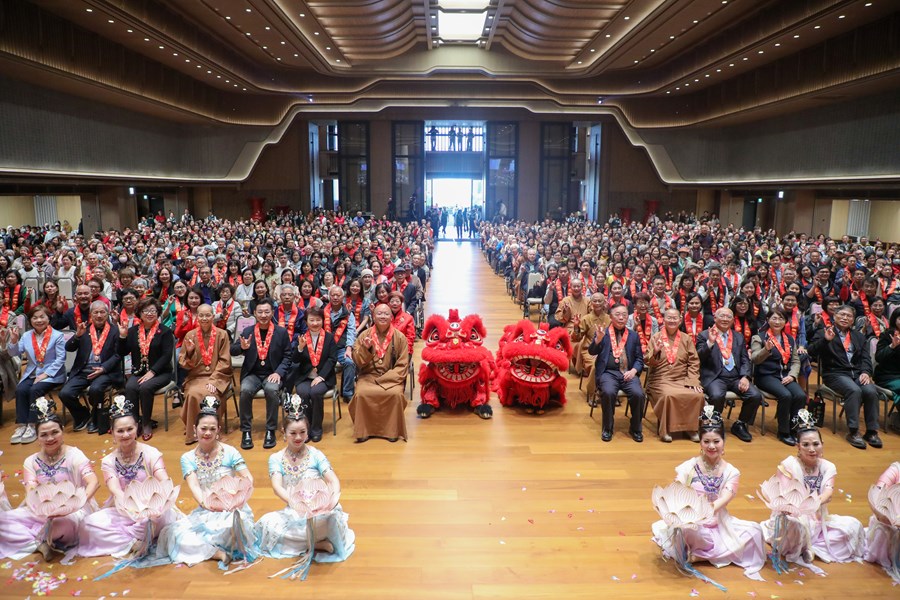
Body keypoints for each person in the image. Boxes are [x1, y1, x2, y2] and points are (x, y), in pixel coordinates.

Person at [651, 408, 766, 581]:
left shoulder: (731, 471)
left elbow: (726, 497)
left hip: (717, 520)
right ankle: (705, 553)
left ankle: (700, 556)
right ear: (700, 443)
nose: (711, 446)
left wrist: (707, 511)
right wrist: (687, 512)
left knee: (756, 532)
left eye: (716, 441)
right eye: (707, 441)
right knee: (688, 530)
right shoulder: (688, 467)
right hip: (693, 520)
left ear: (723, 442)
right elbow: (677, 489)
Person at [154, 398, 256, 566]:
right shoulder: (187, 458)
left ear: (218, 431)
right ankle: (216, 553)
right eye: (203, 428)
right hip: (206, 509)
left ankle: (213, 549)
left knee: (231, 528)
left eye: (212, 429)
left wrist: (237, 497)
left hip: (231, 508)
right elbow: (194, 486)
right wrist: (208, 504)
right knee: (175, 535)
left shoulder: (230, 452)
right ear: (195, 429)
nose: (207, 433)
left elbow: (248, 478)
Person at [254, 396, 355, 562]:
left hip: (320, 510)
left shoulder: (315, 454)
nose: (298, 437)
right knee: (266, 525)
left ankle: (311, 541)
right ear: (283, 433)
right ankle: (315, 544)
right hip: (294, 510)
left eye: (302, 432)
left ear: (308, 432)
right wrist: (297, 504)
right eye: (293, 433)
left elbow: (333, 480)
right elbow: (277, 487)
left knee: (329, 520)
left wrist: (331, 499)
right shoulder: (276, 458)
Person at [77, 397, 181, 557]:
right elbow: (116, 490)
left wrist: (153, 505)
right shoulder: (108, 461)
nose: (125, 434)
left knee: (150, 521)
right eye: (120, 431)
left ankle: (139, 536)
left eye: (129, 429)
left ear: (137, 427)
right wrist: (133, 509)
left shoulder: (151, 453)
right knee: (87, 525)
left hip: (153, 510)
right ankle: (134, 541)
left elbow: (163, 479)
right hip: (125, 509)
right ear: (112, 432)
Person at [760, 410, 866, 566]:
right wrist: (803, 508)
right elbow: (783, 496)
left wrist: (812, 504)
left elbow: (828, 493)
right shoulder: (788, 465)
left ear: (822, 445)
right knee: (797, 525)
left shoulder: (828, 467)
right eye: (806, 445)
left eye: (816, 444)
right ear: (798, 446)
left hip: (818, 517)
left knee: (853, 526)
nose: (811, 449)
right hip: (791, 514)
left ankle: (810, 545)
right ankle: (803, 546)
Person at [0, 399, 99, 560]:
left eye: (55, 432)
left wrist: (77, 503)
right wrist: (43, 509)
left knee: (59, 524)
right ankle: (39, 543)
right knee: (2, 522)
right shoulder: (31, 461)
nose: (50, 438)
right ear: (37, 438)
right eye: (44, 435)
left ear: (62, 431)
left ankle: (39, 538)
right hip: (43, 510)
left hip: (74, 509)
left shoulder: (75, 454)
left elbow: (93, 482)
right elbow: (31, 491)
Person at [807, 304, 881, 449]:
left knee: (871, 391)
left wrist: (866, 372)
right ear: (834, 316)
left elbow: (865, 358)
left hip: (857, 373)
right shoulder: (824, 332)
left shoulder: (859, 336)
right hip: (835, 373)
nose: (845, 318)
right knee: (854, 390)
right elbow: (811, 351)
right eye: (842, 315)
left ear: (853, 320)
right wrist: (825, 340)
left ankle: (871, 431)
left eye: (849, 316)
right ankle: (853, 431)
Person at [231, 298, 292, 450]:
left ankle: (270, 430)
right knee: (244, 391)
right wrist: (242, 348)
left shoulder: (281, 332)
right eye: (260, 312)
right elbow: (233, 350)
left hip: (273, 373)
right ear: (254, 314)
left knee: (272, 390)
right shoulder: (248, 331)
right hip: (253, 373)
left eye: (267, 312)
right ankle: (246, 430)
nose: (263, 315)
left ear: (272, 313)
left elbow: (288, 356)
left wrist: (279, 372)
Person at [696, 308, 763, 443]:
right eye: (722, 316)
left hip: (736, 377)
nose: (725, 319)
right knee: (716, 395)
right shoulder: (704, 335)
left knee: (755, 395)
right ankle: (715, 424)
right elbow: (698, 358)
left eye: (729, 317)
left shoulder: (738, 337)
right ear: (715, 318)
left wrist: (745, 377)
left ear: (733, 320)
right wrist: (710, 343)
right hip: (716, 376)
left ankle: (740, 424)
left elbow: (745, 359)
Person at [4, 305, 67, 444]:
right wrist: (13, 341)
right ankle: (22, 425)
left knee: (35, 390)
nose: (39, 320)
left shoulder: (57, 335)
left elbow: (61, 359)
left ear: (48, 318)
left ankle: (33, 425)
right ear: (30, 320)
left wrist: (46, 374)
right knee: (20, 390)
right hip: (32, 373)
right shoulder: (26, 336)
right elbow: (13, 353)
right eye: (35, 317)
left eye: (42, 317)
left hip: (52, 374)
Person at [58, 300, 123, 433]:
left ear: (107, 314)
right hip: (83, 371)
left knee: (95, 389)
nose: (99, 315)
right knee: (65, 393)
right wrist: (77, 336)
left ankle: (95, 417)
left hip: (105, 371)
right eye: (96, 312)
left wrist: (104, 368)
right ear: (91, 314)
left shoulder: (115, 330)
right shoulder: (84, 329)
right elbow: (68, 348)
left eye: (102, 312)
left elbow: (118, 355)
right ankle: (83, 415)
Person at [349, 303, 410, 443]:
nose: (383, 316)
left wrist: (384, 379)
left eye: (386, 313)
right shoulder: (364, 335)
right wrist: (366, 348)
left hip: (391, 378)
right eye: (379, 313)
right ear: (373, 316)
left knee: (395, 394)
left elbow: (402, 365)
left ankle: (392, 432)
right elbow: (357, 361)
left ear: (391, 317)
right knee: (361, 394)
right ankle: (363, 431)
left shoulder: (400, 337)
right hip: (368, 376)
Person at [117, 297, 176, 442]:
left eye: (153, 311)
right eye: (146, 311)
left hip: (161, 372)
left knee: (145, 388)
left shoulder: (165, 331)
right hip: (139, 372)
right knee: (130, 387)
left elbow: (166, 356)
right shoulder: (132, 331)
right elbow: (122, 352)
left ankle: (147, 423)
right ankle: (134, 422)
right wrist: (123, 337)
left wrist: (153, 371)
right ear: (139, 313)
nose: (149, 314)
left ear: (158, 313)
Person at [587, 304, 646, 443]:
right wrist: (598, 340)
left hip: (628, 373)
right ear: (611, 317)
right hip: (609, 373)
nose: (621, 317)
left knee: (638, 394)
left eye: (624, 315)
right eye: (617, 314)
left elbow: (639, 359)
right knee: (608, 392)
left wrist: (634, 371)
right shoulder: (603, 332)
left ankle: (635, 428)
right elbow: (591, 351)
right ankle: (607, 428)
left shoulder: (633, 335)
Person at [645, 308, 704, 443]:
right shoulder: (656, 337)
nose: (672, 320)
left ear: (680, 320)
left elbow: (694, 361)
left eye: (674, 318)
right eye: (669, 318)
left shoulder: (686, 338)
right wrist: (655, 352)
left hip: (682, 378)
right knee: (668, 396)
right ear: (663, 320)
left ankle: (691, 428)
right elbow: (649, 362)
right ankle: (666, 430)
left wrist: (693, 381)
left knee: (697, 395)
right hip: (661, 379)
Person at [750, 308, 807, 446]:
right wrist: (766, 349)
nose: (777, 322)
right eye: (774, 318)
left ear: (785, 322)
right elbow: (755, 359)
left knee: (800, 395)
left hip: (786, 375)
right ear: (768, 320)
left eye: (780, 319)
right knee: (785, 395)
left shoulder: (790, 339)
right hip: (766, 376)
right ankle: (783, 431)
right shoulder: (759, 337)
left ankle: (795, 428)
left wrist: (793, 375)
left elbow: (795, 361)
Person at [178, 304, 232, 444]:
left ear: (213, 317)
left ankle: (214, 432)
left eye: (208, 315)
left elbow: (225, 361)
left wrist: (214, 381)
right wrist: (189, 352)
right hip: (196, 377)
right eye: (201, 315)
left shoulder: (222, 334)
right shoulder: (190, 336)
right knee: (193, 394)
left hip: (217, 376)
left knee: (212, 394)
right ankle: (194, 432)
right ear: (197, 317)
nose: (204, 318)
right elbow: (183, 362)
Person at [291, 306, 338, 442]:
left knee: (316, 393)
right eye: (312, 320)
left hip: (324, 377)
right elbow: (294, 360)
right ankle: (306, 428)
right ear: (306, 322)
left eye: (318, 320)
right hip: (305, 377)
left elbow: (332, 359)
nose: (315, 323)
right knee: (303, 393)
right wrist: (300, 348)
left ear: (323, 321)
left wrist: (321, 376)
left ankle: (316, 429)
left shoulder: (329, 338)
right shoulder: (302, 338)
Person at [573, 292, 611, 400]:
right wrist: (576, 327)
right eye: (595, 301)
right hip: (589, 351)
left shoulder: (609, 319)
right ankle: (592, 393)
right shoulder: (586, 318)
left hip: (606, 351)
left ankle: (610, 392)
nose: (597, 303)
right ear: (591, 303)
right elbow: (577, 338)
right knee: (596, 365)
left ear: (604, 303)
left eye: (600, 301)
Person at [864, 461, 900, 572]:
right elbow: (876, 495)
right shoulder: (896, 470)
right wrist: (885, 516)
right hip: (889, 523)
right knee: (882, 529)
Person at [324, 286, 357, 403]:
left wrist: (349, 349)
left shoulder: (348, 314)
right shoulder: (322, 312)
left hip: (341, 348)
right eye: (333, 295)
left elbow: (351, 332)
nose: (335, 297)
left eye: (338, 295)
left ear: (343, 297)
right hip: (323, 349)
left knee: (349, 362)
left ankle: (347, 392)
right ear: (329, 297)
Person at [873, 308, 900, 407]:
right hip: (887, 376)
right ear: (894, 320)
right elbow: (878, 357)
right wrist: (892, 346)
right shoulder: (887, 335)